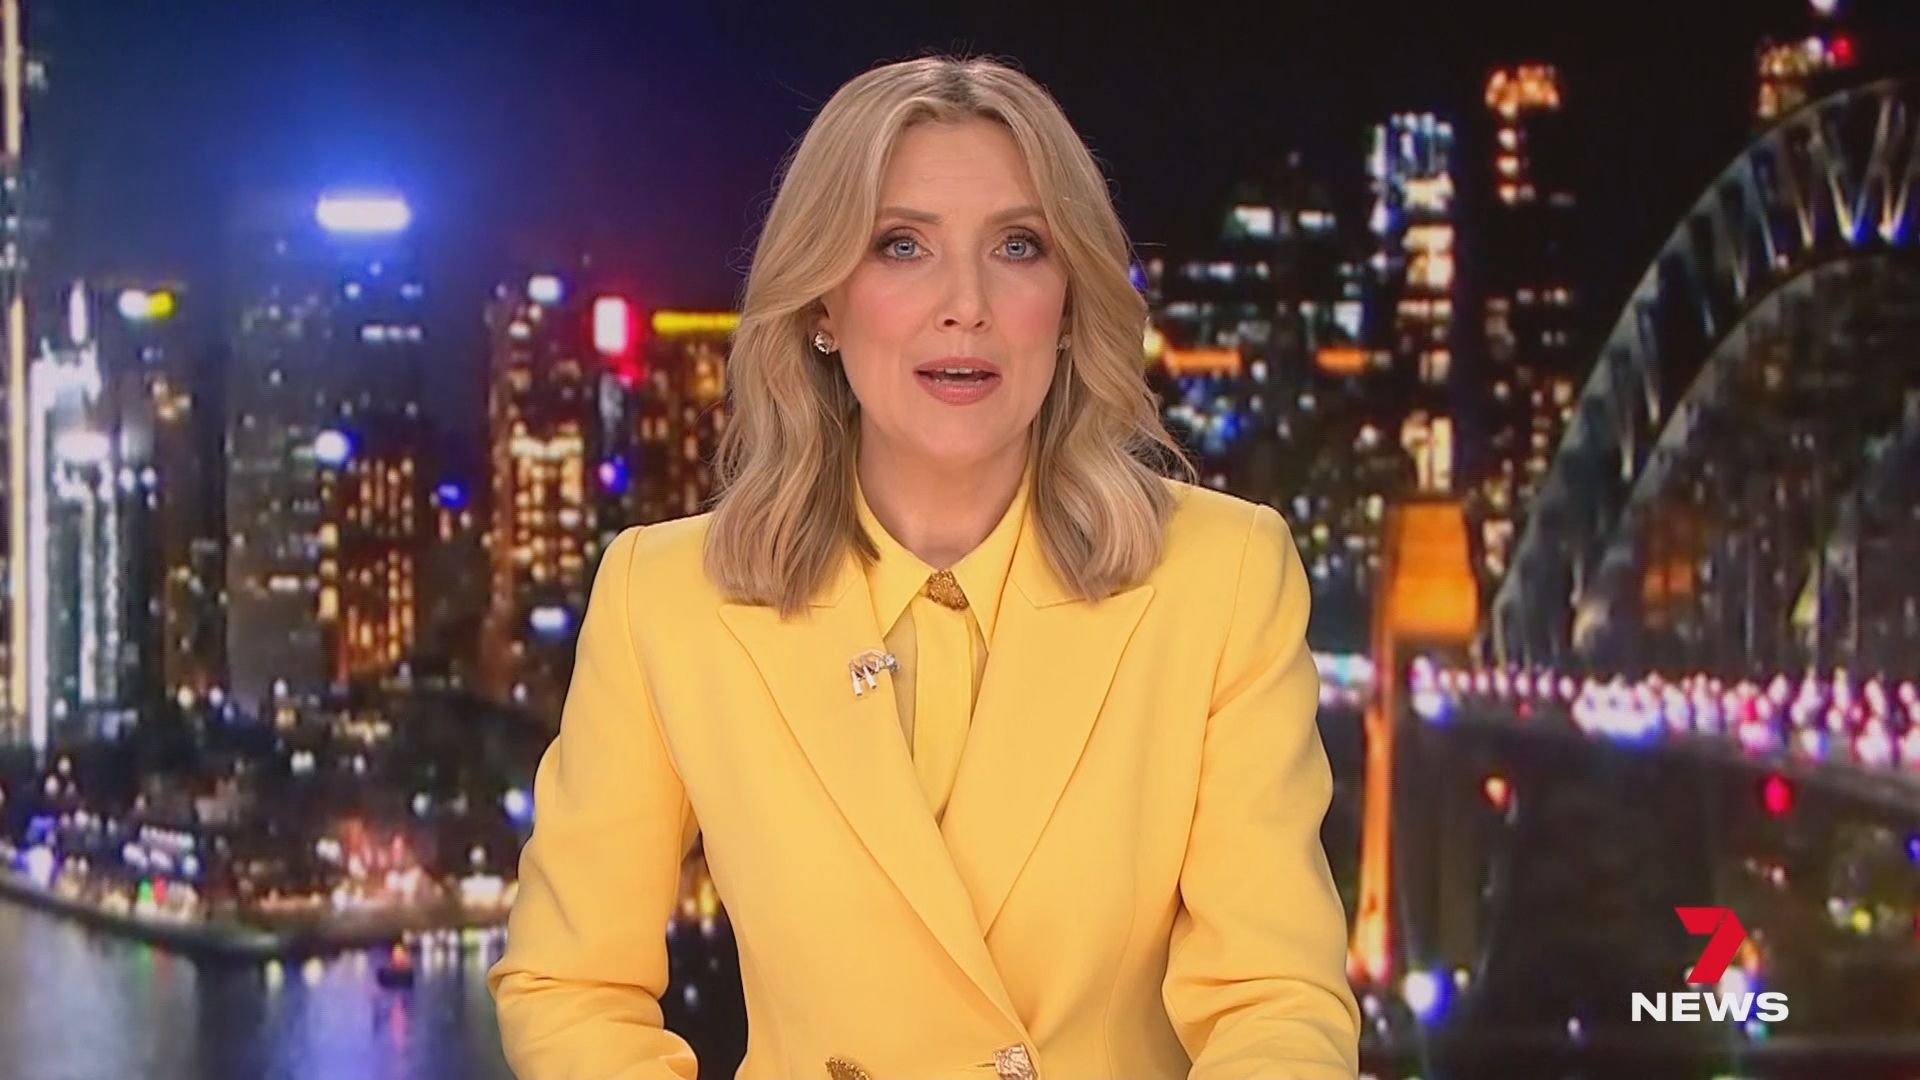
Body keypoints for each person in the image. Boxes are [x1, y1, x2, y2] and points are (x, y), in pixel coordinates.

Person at [488, 53, 1361, 1080]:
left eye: (1019, 247)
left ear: (1070, 305)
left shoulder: (1222, 578)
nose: (966, 304)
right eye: (902, 246)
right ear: (822, 305)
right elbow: (572, 987)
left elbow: (1272, 999)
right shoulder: (666, 599)